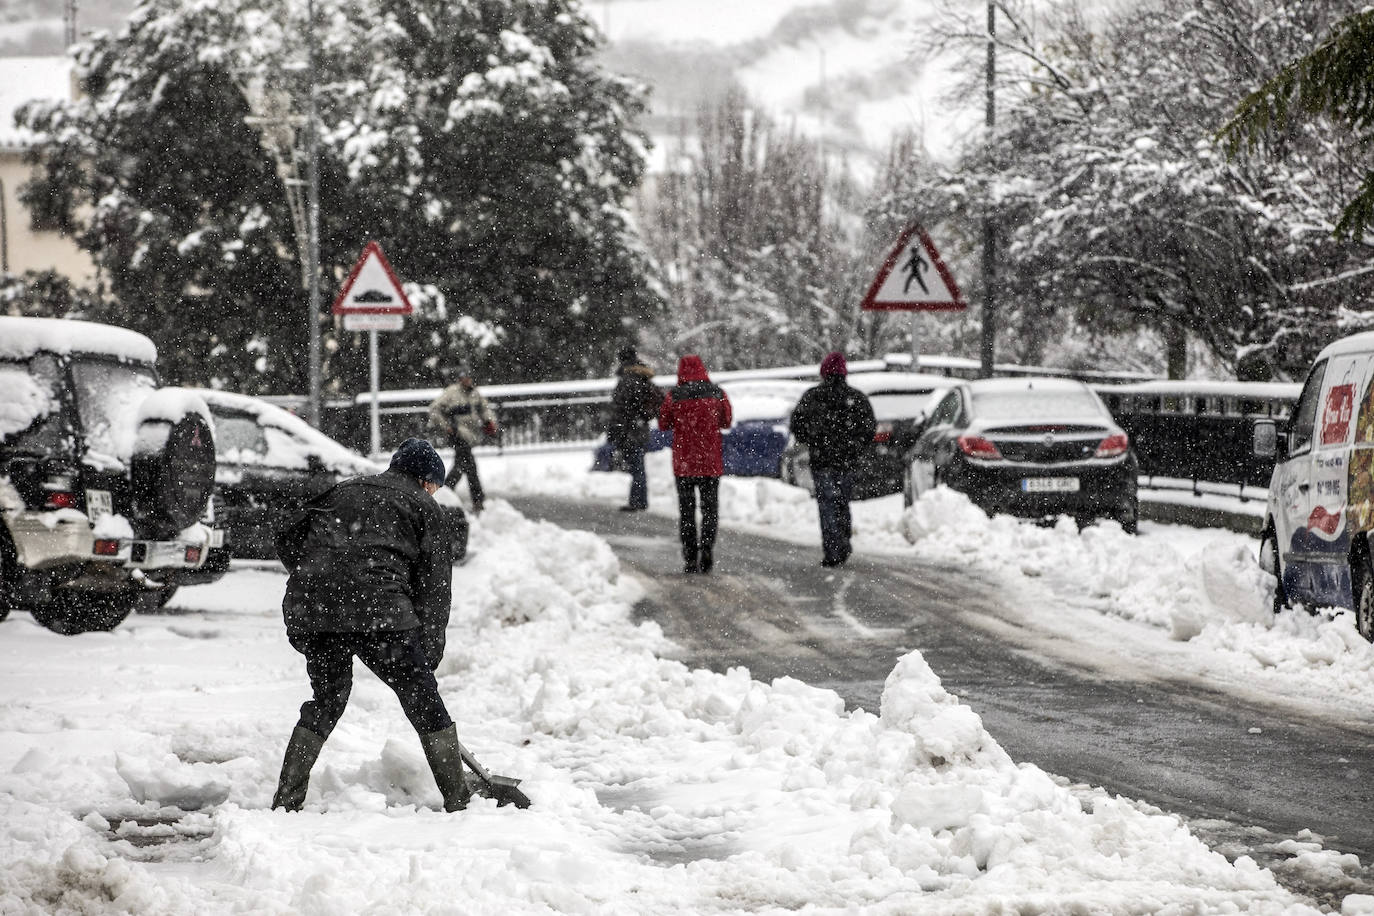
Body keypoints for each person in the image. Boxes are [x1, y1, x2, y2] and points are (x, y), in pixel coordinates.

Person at [270, 438, 469, 813]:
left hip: (317, 612)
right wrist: (428, 651)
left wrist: (320, 576)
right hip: (381, 614)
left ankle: (286, 800)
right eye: (435, 486)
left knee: (327, 700)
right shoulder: (424, 507)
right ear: (427, 480)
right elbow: (435, 589)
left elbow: (287, 537)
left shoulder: (342, 491)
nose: (434, 493)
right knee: (425, 703)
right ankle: (459, 799)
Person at [789, 351, 876, 567]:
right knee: (842, 502)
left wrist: (812, 440)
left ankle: (832, 550)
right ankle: (843, 541)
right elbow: (868, 428)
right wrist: (855, 447)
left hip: (822, 460)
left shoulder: (813, 397)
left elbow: (797, 425)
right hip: (847, 460)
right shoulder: (856, 398)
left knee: (826, 504)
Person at [659, 354, 732, 574]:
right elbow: (726, 421)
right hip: (710, 463)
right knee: (710, 509)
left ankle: (690, 556)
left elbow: (663, 424)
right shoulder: (717, 393)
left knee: (687, 510)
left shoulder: (674, 396)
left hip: (684, 464)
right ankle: (707, 549)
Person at [427, 366, 498, 513]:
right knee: (469, 467)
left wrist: (489, 421)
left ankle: (444, 494)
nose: (467, 380)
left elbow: (484, 409)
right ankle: (476, 500)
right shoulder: (451, 393)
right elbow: (434, 409)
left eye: (469, 377)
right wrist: (446, 426)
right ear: (459, 379)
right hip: (458, 435)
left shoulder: (474, 394)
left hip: (470, 436)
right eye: (464, 377)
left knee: (461, 467)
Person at [607, 345, 663, 512]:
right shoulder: (642, 376)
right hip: (638, 427)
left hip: (629, 428)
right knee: (637, 464)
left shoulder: (628, 380)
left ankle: (638, 501)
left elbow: (621, 408)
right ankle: (639, 500)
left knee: (636, 465)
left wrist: (616, 429)